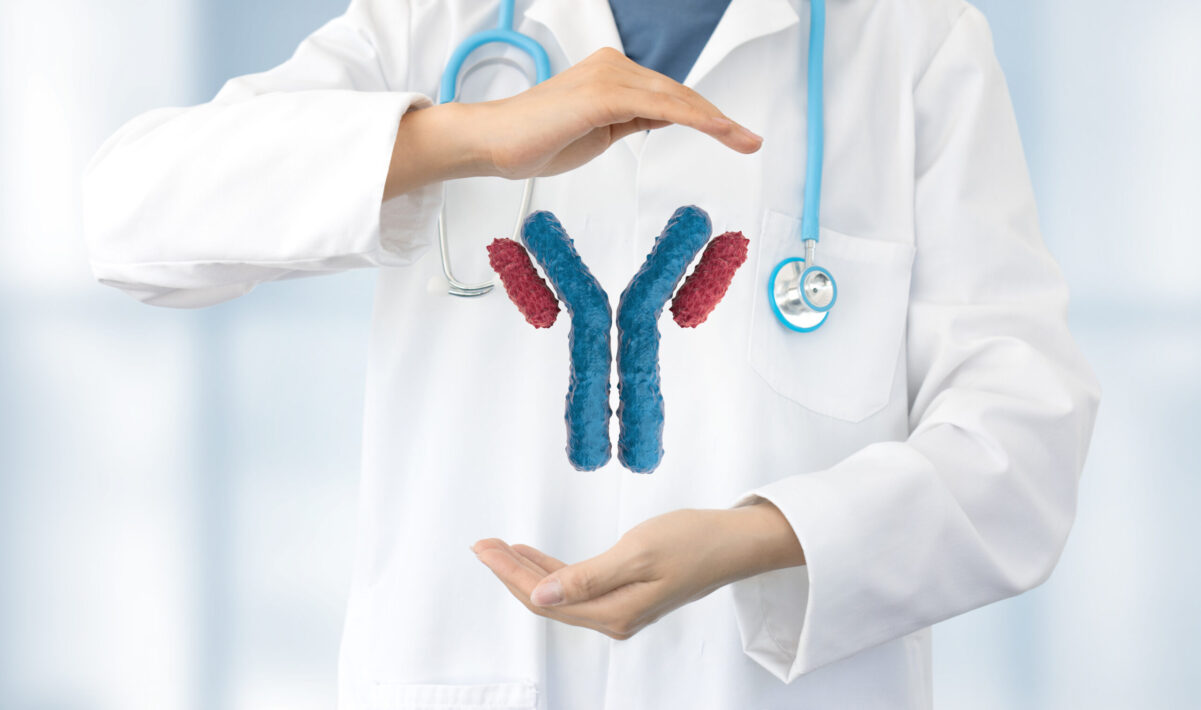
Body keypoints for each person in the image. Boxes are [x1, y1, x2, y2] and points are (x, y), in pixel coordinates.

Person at [81, 0, 1101, 708]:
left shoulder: (913, 47)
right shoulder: (434, 29)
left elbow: (1021, 443)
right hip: (466, 667)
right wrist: (468, 136)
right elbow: (126, 214)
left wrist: (760, 536)